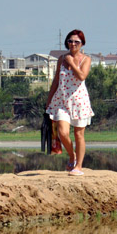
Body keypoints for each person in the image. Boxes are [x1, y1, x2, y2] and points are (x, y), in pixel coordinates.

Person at [45, 29, 94, 176]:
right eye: (70, 41)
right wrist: (49, 101)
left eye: (76, 42)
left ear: (82, 44)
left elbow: (82, 76)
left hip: (79, 101)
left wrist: (72, 63)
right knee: (62, 132)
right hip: (62, 100)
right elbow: (56, 81)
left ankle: (78, 166)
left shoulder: (86, 59)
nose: (73, 44)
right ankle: (72, 157)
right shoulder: (61, 59)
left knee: (79, 134)